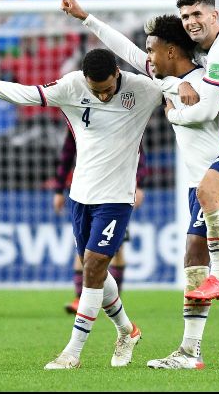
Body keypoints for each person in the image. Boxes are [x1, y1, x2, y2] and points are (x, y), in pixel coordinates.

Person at [58, 0, 219, 368]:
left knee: (196, 254)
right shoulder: (164, 77)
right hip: (199, 183)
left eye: (152, 50)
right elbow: (125, 50)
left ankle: (190, 351)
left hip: (215, 179)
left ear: (171, 52)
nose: (145, 57)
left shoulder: (204, 84)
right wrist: (86, 18)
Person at [0, 48, 174, 370]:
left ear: (118, 74)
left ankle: (72, 353)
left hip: (117, 198)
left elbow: (181, 90)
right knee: (95, 269)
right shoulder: (71, 86)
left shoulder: (143, 88)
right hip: (80, 195)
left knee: (93, 266)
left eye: (108, 88)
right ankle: (127, 330)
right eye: (96, 90)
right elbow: (24, 94)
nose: (103, 95)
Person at [55, 130, 148, 315]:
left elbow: (138, 151)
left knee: (117, 248)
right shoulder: (78, 120)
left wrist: (139, 184)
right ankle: (81, 298)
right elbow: (67, 153)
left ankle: (112, 300)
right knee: (84, 247)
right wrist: (58, 189)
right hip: (85, 192)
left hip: (116, 194)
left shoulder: (122, 121)